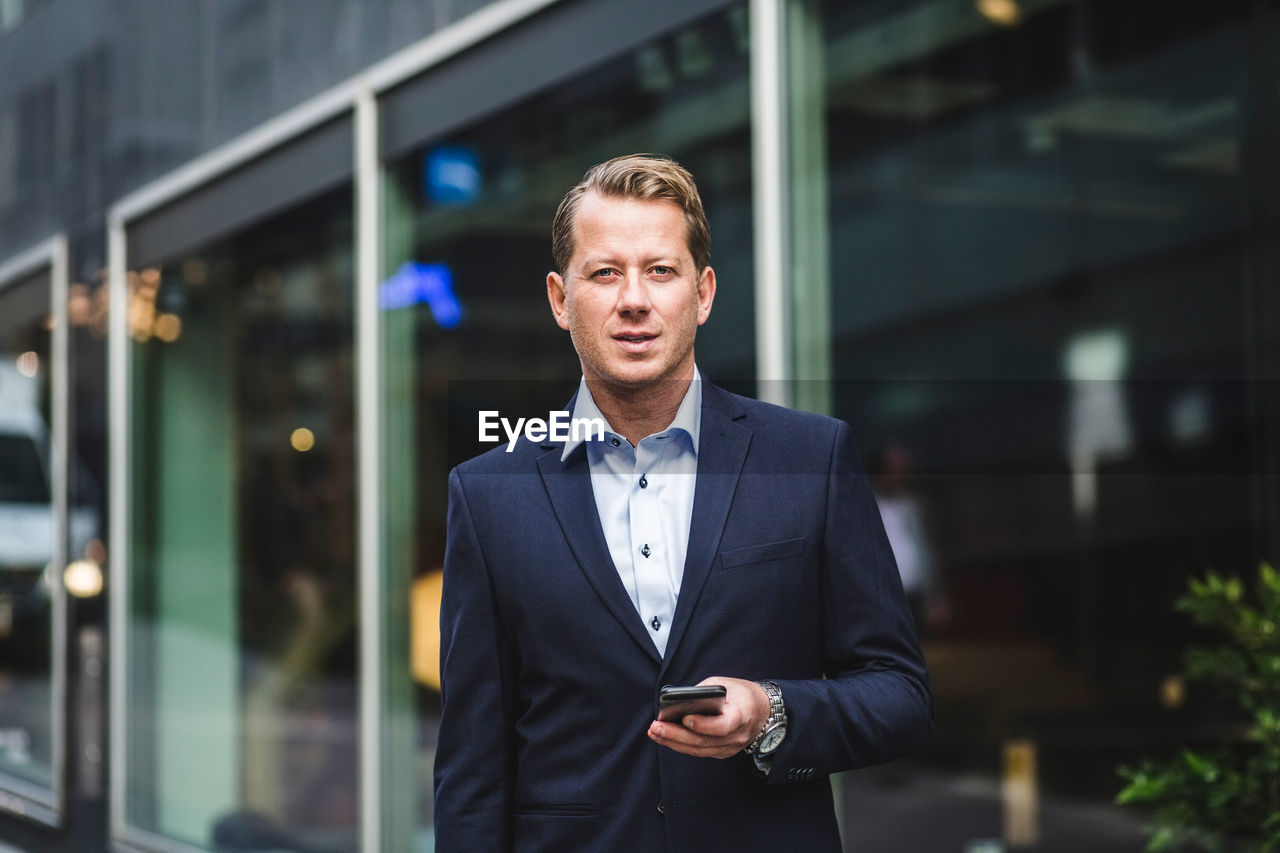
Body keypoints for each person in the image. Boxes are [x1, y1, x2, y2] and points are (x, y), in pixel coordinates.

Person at [434, 154, 931, 852]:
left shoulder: (808, 459)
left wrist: (769, 712)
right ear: (558, 297)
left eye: (660, 271)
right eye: (605, 273)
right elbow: (471, 770)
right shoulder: (488, 495)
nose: (633, 298)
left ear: (702, 293)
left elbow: (900, 694)